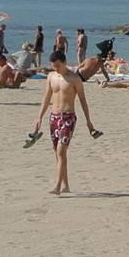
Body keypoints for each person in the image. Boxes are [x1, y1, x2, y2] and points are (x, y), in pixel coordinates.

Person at [28, 50, 99, 196]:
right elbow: (46, 98)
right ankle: (66, 185)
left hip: (68, 117)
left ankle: (57, 186)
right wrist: (39, 117)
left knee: (61, 151)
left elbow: (83, 100)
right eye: (54, 66)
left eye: (58, 66)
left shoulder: (74, 79)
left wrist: (88, 121)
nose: (56, 69)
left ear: (65, 62)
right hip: (54, 117)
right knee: (59, 154)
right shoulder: (51, 77)